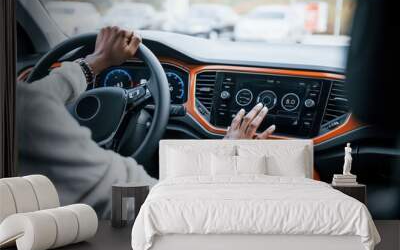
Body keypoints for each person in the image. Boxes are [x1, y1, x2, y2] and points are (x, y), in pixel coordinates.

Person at [17, 27, 276, 218]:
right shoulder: (31, 119)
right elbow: (147, 200)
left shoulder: (23, 105)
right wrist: (227, 156)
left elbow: (35, 97)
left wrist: (95, 62)